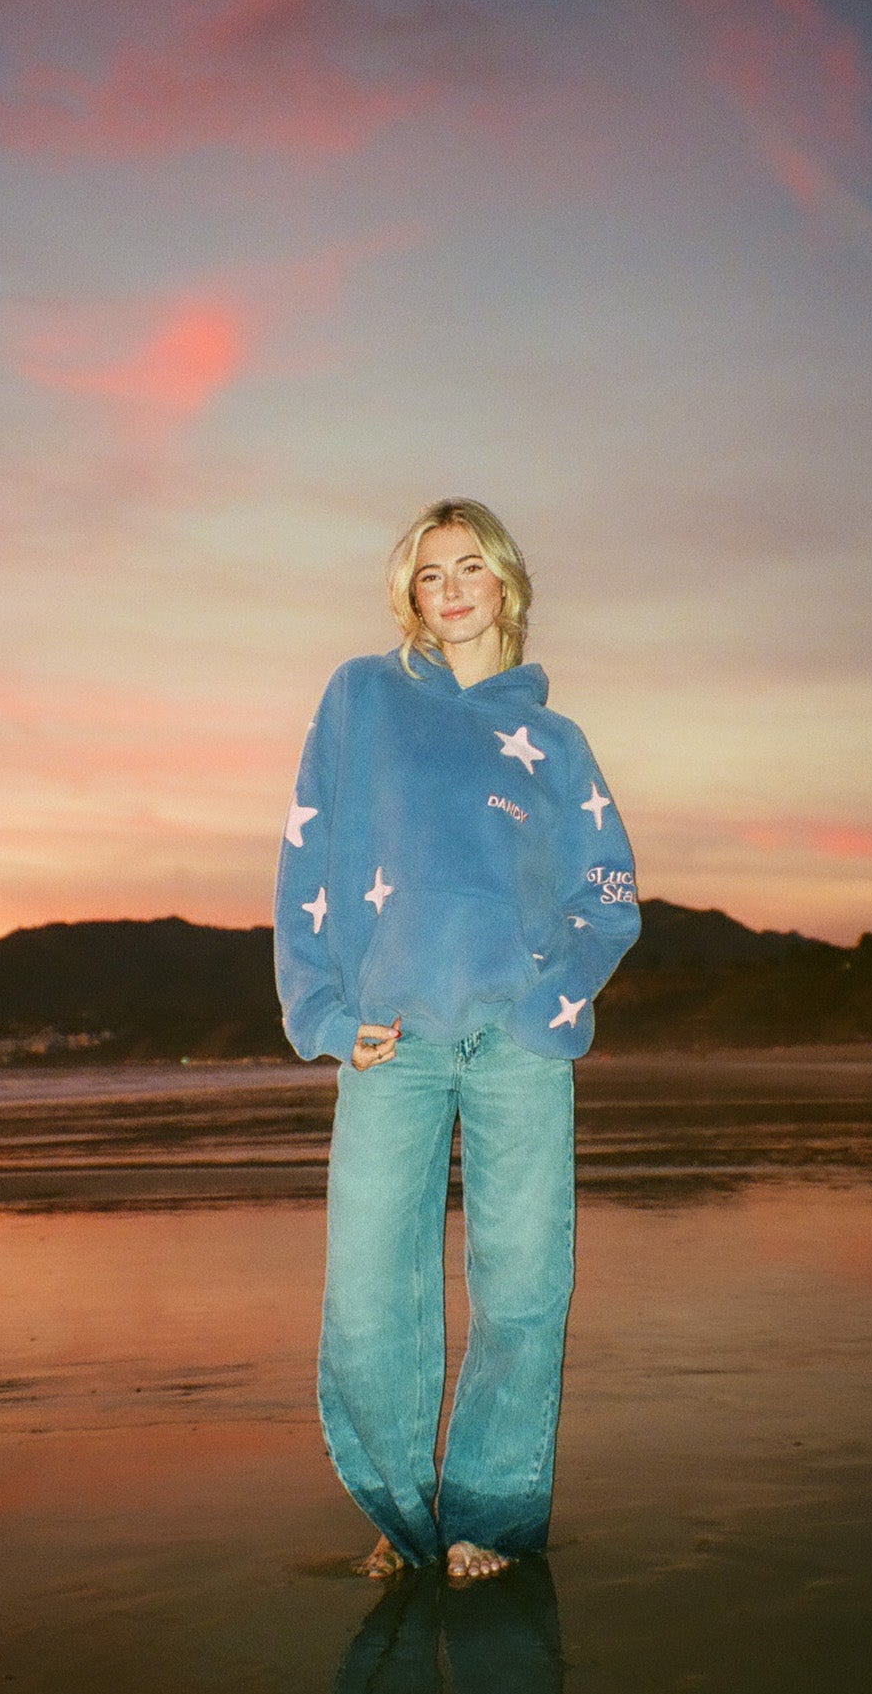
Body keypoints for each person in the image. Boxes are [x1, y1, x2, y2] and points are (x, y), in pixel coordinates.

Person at [273, 498, 640, 1582]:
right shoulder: (362, 699)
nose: (451, 587)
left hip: (520, 1039)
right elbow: (306, 863)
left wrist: (548, 1003)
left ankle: (487, 1515)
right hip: (391, 1037)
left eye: (469, 565)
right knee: (368, 1285)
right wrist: (328, 1016)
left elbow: (608, 895)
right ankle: (398, 1506)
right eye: (430, 574)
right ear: (412, 598)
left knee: (523, 1285)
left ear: (507, 583)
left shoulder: (559, 743)